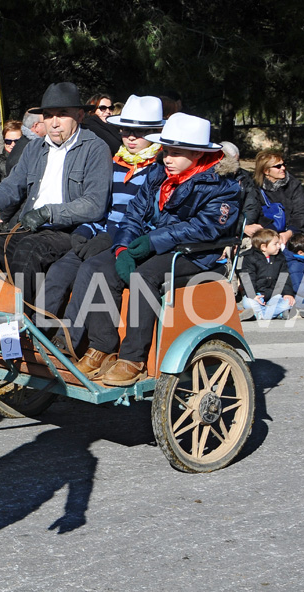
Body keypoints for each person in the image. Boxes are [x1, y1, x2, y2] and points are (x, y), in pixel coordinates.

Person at [72, 112, 241, 385]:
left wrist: (152, 242)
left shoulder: (222, 185)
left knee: (144, 276)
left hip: (195, 254)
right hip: (154, 245)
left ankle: (133, 358)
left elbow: (206, 228)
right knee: (96, 267)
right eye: (165, 152)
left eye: (175, 153)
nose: (167, 159)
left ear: (197, 155)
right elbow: (133, 215)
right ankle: (102, 346)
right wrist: (122, 248)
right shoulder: (157, 174)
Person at [0, 82, 112, 310]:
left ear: (79, 115)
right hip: (30, 226)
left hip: (69, 230)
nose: (55, 123)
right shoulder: (34, 148)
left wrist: (49, 212)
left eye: (62, 115)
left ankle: (27, 326)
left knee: (27, 253)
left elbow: (95, 204)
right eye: (49, 116)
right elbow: (11, 186)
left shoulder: (95, 148)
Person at [43, 95, 165, 349]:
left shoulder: (161, 168)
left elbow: (151, 219)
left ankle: (67, 341)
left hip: (131, 242)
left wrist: (111, 238)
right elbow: (103, 209)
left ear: (156, 133)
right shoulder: (115, 163)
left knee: (90, 270)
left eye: (139, 132)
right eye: (126, 130)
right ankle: (37, 330)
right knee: (60, 268)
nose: (130, 137)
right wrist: (86, 231)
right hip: (104, 235)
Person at [253, 149, 304, 247]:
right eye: (278, 166)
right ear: (266, 171)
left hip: (294, 233)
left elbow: (301, 212)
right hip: (267, 235)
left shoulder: (293, 184)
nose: (283, 168)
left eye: (283, 164)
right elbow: (256, 213)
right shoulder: (255, 187)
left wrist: (290, 232)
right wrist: (273, 233)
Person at [239, 228, 296, 320]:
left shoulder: (280, 257)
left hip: (274, 294)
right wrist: (252, 295)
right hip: (256, 294)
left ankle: (259, 315)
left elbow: (284, 276)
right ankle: (275, 314)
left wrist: (288, 293)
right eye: (275, 244)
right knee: (248, 303)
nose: (279, 246)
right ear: (263, 247)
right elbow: (247, 277)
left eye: (279, 243)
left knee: (288, 303)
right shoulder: (250, 258)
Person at [218, 142, 261, 240]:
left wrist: (242, 227)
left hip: (242, 228)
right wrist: (239, 228)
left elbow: (251, 207)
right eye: (232, 162)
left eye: (237, 162)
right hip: (219, 232)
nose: (235, 167)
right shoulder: (211, 179)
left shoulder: (245, 178)